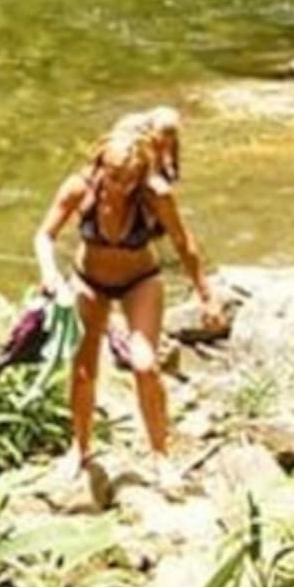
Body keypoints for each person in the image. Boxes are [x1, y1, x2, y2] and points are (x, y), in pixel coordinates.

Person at [33, 108, 225, 499]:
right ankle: (80, 448)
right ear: (100, 161)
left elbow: (185, 244)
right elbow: (44, 236)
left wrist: (207, 295)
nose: (119, 185)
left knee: (144, 365)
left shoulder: (155, 195)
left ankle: (161, 457)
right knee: (84, 370)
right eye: (113, 174)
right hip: (89, 282)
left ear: (141, 173)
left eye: (129, 177)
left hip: (140, 281)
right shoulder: (79, 188)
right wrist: (50, 274)